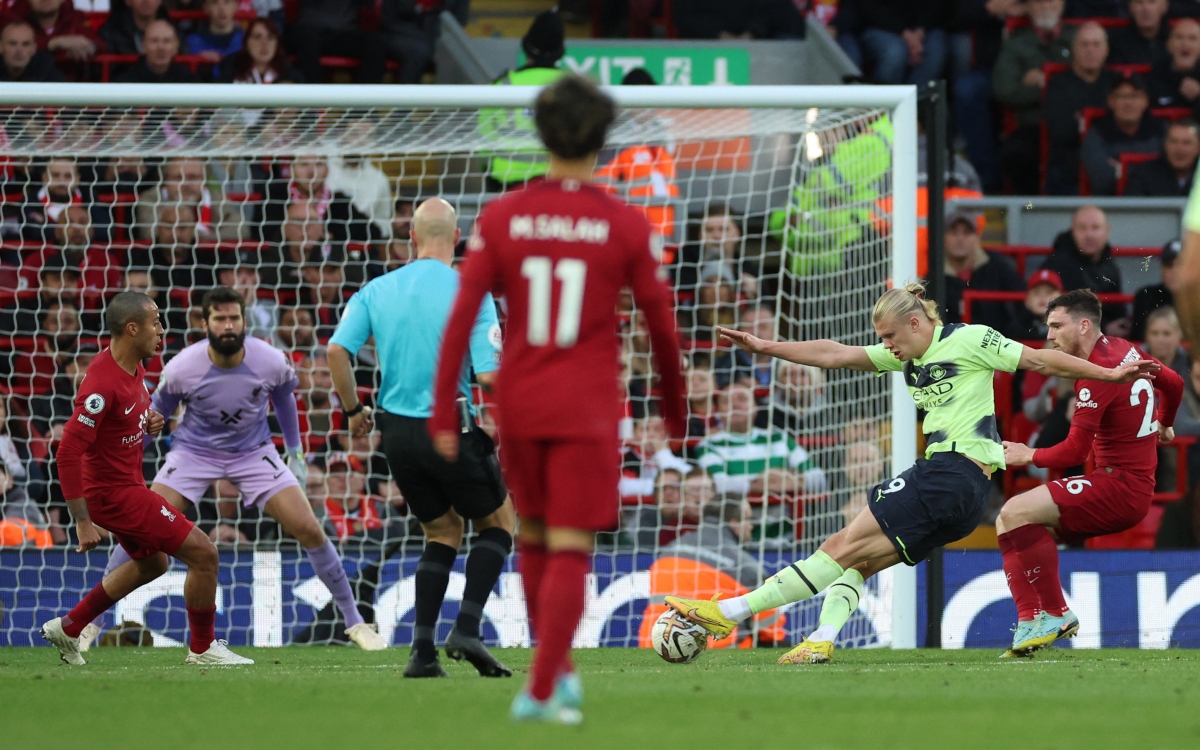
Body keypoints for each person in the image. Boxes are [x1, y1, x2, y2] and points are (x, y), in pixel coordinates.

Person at [665, 281, 1156, 665]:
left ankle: (726, 612)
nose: (886, 347)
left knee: (837, 547)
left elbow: (1038, 359)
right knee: (859, 562)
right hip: (965, 497)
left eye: (891, 337)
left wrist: (1107, 374)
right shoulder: (907, 359)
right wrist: (767, 347)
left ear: (918, 324)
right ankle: (821, 638)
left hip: (950, 472)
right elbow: (835, 354)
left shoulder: (968, 340)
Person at [430, 75, 686, 723]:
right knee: (570, 544)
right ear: (606, 141)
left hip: (518, 402)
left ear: (538, 135)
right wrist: (675, 411)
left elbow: (462, 317)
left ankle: (558, 673)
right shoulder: (624, 222)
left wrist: (441, 410)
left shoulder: (501, 216)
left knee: (536, 538)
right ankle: (541, 691)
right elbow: (661, 324)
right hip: (586, 404)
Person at [80, 286, 387, 653]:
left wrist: (295, 454)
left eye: (234, 318)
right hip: (193, 453)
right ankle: (91, 624)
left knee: (308, 527)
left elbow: (284, 398)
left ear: (244, 320)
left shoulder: (270, 360)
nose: (228, 325)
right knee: (140, 529)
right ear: (205, 323)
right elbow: (151, 417)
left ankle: (354, 622)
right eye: (220, 318)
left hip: (253, 452)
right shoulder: (182, 368)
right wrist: (124, 465)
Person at [327, 198, 515, 679]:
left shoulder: (377, 288)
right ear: (457, 238)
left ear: (411, 237)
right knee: (498, 524)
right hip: (447, 424)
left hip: (395, 434)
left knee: (442, 530)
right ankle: (467, 628)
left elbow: (336, 350)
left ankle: (423, 652)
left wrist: (353, 412)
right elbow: (491, 378)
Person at [39, 292, 254, 666]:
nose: (161, 330)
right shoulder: (100, 386)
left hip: (127, 486)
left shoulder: (132, 367)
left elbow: (124, 422)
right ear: (132, 328)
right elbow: (67, 452)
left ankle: (70, 627)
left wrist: (149, 422)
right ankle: (203, 649)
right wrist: (82, 521)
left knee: (154, 564)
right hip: (112, 495)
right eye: (155, 322)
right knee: (204, 553)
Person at [999, 290, 1183, 655]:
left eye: (1056, 326)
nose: (1049, 336)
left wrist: (1026, 453)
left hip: (1118, 487)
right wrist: (1165, 422)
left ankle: (1056, 613)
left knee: (1014, 511)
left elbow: (1073, 451)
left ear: (1084, 325)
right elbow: (1174, 383)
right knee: (1011, 523)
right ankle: (1029, 623)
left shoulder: (1097, 377)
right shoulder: (1122, 348)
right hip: (1126, 484)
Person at [993, 0, 1074, 194]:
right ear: (1027, 7)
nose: (1046, 6)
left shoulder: (1080, 37)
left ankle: (1078, 214)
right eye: (1038, 2)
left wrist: (1044, 81)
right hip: (1032, 125)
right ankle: (1029, 211)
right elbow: (1004, 89)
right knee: (1016, 154)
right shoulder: (1016, 42)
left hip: (1072, 123)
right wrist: (1049, 89)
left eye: (1052, 1)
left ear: (1062, 4)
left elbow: (1091, 81)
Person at [480, 10, 566, 190]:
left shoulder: (502, 85)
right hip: (557, 183)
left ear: (526, 46)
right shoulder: (571, 88)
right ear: (560, 52)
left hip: (505, 183)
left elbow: (483, 143)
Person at [1044, 22, 1120, 195]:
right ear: (1073, 49)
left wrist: (1085, 121)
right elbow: (1061, 130)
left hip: (1111, 159)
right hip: (1069, 166)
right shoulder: (1058, 83)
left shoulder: (1117, 82)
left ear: (1106, 50)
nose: (1090, 50)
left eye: (1096, 44)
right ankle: (1031, 209)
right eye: (1084, 44)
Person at [1037, 205, 1129, 334]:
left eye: (1095, 228)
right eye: (1082, 228)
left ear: (1107, 231)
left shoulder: (1110, 266)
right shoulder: (1056, 265)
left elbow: (1118, 309)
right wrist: (1105, 328)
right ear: (1072, 231)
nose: (1089, 234)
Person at [939, 207, 1026, 336]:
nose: (960, 238)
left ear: (977, 237)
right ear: (943, 237)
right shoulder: (934, 273)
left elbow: (1023, 300)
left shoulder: (997, 265)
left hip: (996, 347)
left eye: (967, 232)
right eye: (953, 232)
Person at [1081, 75, 1166, 196]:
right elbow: (1102, 181)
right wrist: (1149, 171)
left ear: (1145, 101)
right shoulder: (1096, 134)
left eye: (1135, 96)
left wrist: (1121, 169)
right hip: (1109, 206)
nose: (1128, 103)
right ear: (1110, 101)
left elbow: (1170, 178)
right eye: (1122, 97)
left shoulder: (1162, 131)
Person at [285, 0, 389, 85]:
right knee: (306, 40)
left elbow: (368, 3)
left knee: (376, 42)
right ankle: (314, 101)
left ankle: (363, 104)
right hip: (310, 29)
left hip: (345, 32)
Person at [1124, 119, 1200, 197]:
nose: (1179, 149)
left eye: (1187, 143)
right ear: (1165, 145)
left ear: (1198, 148)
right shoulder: (1143, 174)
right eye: (1173, 141)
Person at [114, 19, 198, 83]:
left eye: (167, 41)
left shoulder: (190, 82)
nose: (160, 47)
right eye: (154, 41)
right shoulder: (126, 83)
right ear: (143, 46)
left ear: (176, 47)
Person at [1131, 239, 1182, 340]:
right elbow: (1138, 339)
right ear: (1161, 267)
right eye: (1169, 265)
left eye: (1181, 264)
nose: (1175, 271)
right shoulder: (1145, 297)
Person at [1146, 18, 1200, 108]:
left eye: (1192, 38)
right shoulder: (1156, 75)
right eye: (1179, 37)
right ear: (1169, 45)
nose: (1185, 43)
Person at [185, 0, 243, 75]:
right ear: (206, 8)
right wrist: (200, 59)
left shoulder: (247, 40)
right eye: (214, 2)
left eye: (227, 2)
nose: (222, 9)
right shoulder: (192, 42)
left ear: (236, 6)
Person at [0, 19, 66, 82]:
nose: (19, 50)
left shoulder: (45, 68)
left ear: (34, 48)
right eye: (12, 44)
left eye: (26, 44)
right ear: (1, 46)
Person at [1108, 0, 1170, 66]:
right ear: (1130, 7)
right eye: (1139, 2)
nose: (1145, 8)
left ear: (1165, 6)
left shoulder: (1175, 40)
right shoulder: (1115, 44)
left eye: (1152, 2)